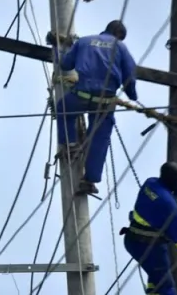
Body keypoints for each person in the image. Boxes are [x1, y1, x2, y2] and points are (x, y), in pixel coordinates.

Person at [54, 20, 138, 195]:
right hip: (105, 101)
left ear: (105, 29)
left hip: (81, 95)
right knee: (100, 138)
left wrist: (56, 47)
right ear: (120, 36)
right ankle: (90, 179)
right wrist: (132, 96)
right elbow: (129, 75)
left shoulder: (84, 41)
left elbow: (65, 64)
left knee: (63, 109)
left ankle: (70, 145)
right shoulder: (120, 48)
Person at [120, 162, 177, 295]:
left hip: (132, 240)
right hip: (149, 248)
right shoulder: (169, 207)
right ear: (172, 182)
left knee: (156, 280)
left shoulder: (151, 183)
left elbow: (171, 190)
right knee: (165, 286)